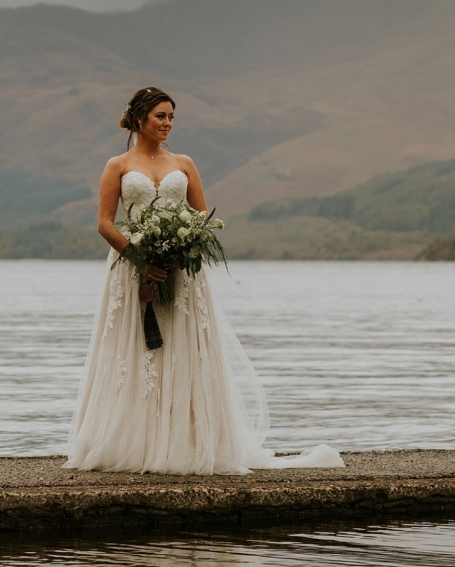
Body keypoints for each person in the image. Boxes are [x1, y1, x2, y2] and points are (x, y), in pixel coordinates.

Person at [66, 87, 342, 474]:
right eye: (161, 116)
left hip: (182, 273)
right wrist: (141, 258)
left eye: (171, 117)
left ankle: (187, 443)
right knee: (135, 353)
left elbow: (201, 217)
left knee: (184, 350)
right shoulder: (117, 165)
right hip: (132, 271)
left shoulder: (184, 162)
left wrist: (182, 248)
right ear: (140, 118)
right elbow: (104, 223)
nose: (168, 124)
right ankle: (133, 444)